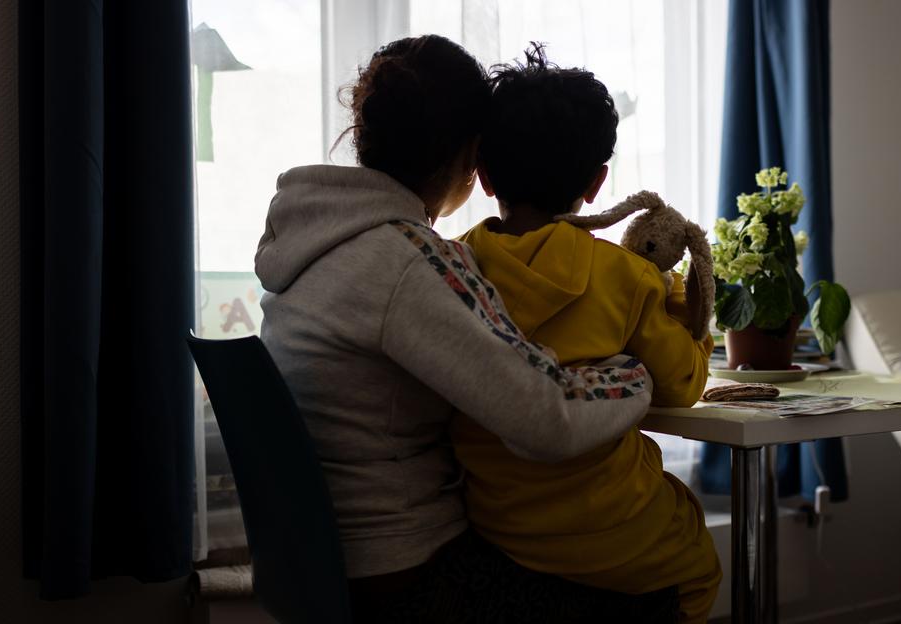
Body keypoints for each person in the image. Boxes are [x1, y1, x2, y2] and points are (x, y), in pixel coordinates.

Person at [255, 35, 675, 622]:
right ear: (468, 155)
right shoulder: (408, 260)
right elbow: (546, 419)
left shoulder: (315, 242)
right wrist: (634, 371)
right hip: (411, 576)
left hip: (324, 565)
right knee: (659, 600)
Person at [453, 44, 721, 624]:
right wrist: (687, 313)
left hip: (499, 530)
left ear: (485, 173)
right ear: (599, 183)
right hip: (619, 535)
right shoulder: (625, 276)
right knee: (699, 568)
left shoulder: (455, 269)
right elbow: (682, 386)